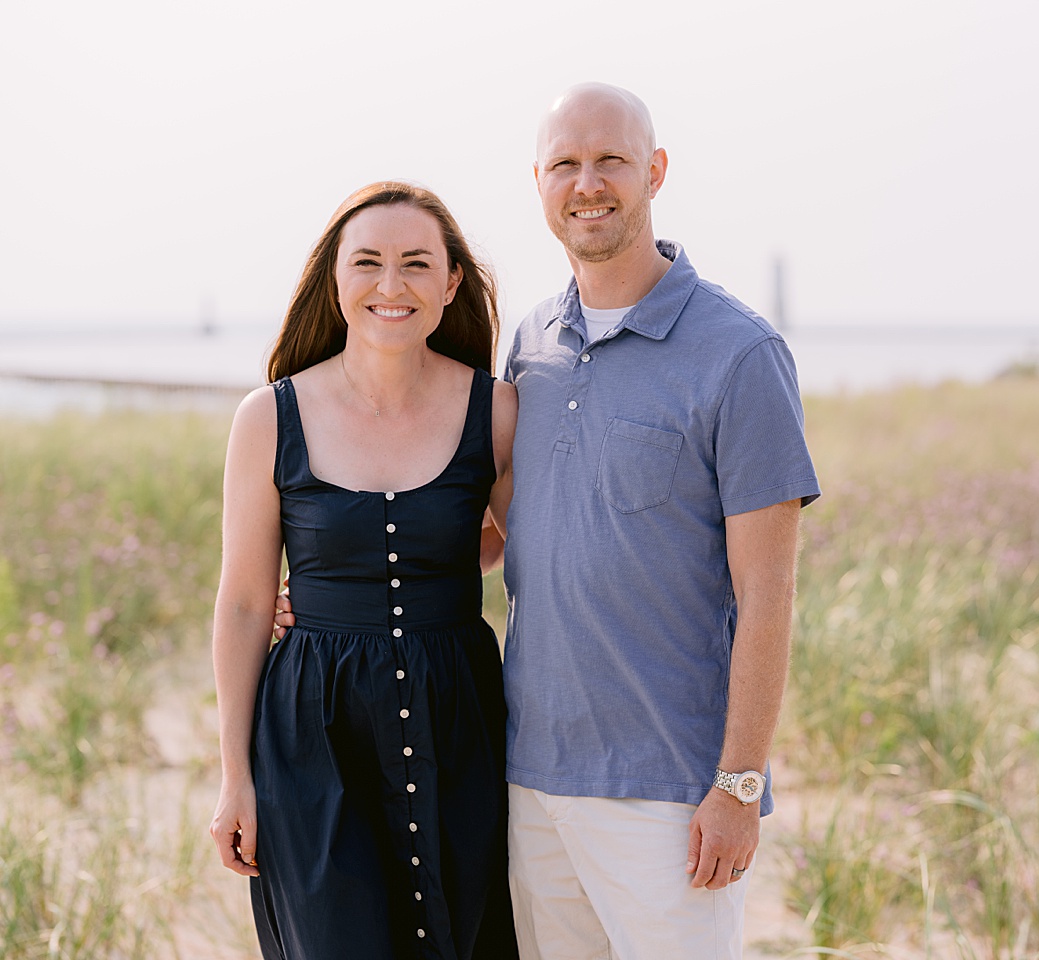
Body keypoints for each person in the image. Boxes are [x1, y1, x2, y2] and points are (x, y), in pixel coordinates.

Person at [276, 82, 821, 958]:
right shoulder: (531, 345)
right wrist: (340, 591)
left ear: (656, 171)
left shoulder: (739, 354)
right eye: (565, 164)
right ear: (539, 184)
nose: (588, 182)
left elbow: (768, 590)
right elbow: (507, 536)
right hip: (527, 780)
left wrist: (738, 784)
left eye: (610, 160)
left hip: (670, 793)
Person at [210, 181, 519, 960]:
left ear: (451, 284)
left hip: (462, 723)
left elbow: (534, 553)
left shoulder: (499, 411)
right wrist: (233, 775)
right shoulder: (268, 417)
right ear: (336, 280)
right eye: (369, 263)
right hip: (311, 732)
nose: (392, 285)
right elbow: (246, 604)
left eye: (417, 263)